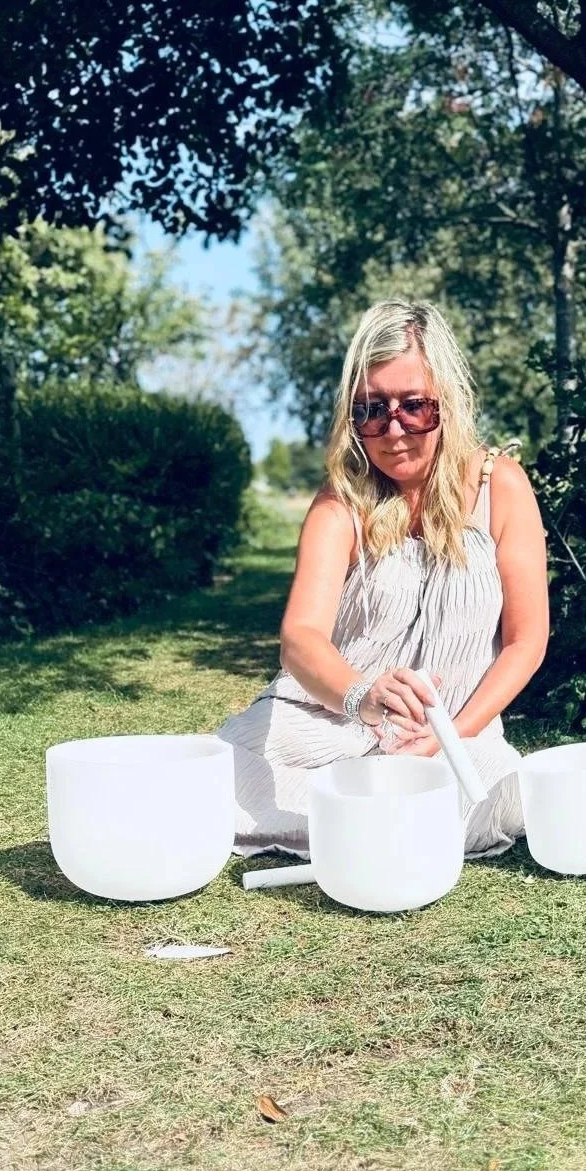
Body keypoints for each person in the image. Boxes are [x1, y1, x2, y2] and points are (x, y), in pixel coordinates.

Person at [216, 298, 550, 858]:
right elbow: (300, 637)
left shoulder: (501, 486)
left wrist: (452, 733)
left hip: (455, 734)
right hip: (323, 723)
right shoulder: (340, 502)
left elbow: (526, 640)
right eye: (372, 411)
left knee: (491, 794)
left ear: (447, 400)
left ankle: (349, 824)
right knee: (213, 776)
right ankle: (363, 825)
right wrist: (361, 695)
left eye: (414, 407)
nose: (394, 430)